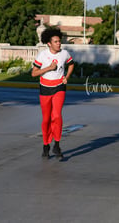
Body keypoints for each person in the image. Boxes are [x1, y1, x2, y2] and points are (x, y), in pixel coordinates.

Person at [32, 27, 74, 160]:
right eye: (56, 42)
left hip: (59, 87)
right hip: (45, 88)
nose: (59, 44)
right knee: (46, 119)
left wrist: (67, 76)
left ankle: (57, 144)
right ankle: (46, 145)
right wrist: (49, 68)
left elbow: (71, 64)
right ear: (49, 43)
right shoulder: (42, 55)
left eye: (59, 41)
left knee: (56, 116)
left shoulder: (64, 54)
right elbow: (34, 73)